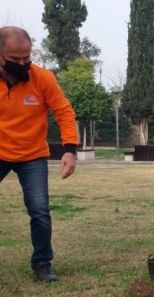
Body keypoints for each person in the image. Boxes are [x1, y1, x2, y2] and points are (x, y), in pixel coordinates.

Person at [0, 26, 78, 282]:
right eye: (15, 59)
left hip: (33, 155)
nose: (22, 64)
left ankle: (42, 263)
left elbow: (64, 112)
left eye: (27, 57)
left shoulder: (42, 78)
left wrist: (69, 150)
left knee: (40, 211)